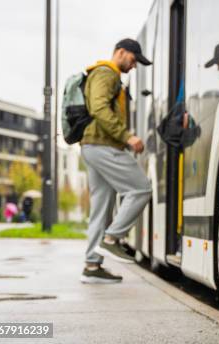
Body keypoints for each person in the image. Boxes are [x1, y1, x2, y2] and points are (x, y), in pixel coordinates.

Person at [79, 38, 153, 284]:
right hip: (103, 145)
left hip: (94, 146)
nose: (133, 66)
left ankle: (91, 266)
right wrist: (127, 137)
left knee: (101, 207)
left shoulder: (105, 74)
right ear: (120, 52)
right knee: (141, 188)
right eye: (132, 60)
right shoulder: (106, 73)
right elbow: (99, 108)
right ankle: (112, 239)